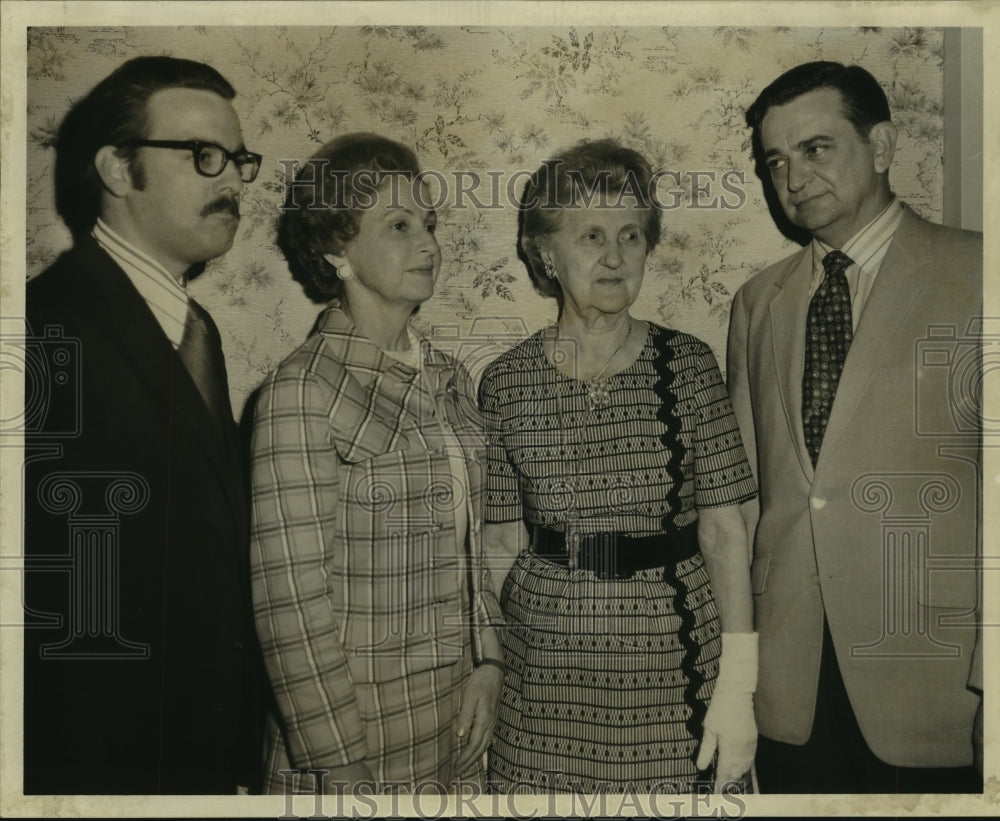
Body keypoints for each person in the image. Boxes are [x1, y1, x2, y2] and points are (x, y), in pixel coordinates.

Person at [728, 61, 983, 793]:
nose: (794, 177)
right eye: (775, 161)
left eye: (816, 148)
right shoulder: (757, 302)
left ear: (883, 144)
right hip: (790, 688)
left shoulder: (977, 274)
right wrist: (738, 678)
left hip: (933, 679)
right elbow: (750, 504)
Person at [480, 138, 759, 793]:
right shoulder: (505, 381)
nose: (614, 255)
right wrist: (495, 660)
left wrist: (738, 683)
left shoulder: (688, 365)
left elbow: (724, 530)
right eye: (592, 236)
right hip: (544, 670)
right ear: (545, 252)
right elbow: (497, 544)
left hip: (672, 658)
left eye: (631, 235)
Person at [23, 56, 266, 794]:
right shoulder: (43, 330)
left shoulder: (198, 329)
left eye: (238, 160)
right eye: (202, 156)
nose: (232, 181)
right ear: (118, 169)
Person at [251, 133, 504, 794]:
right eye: (398, 226)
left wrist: (488, 660)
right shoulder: (299, 391)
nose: (427, 243)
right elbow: (290, 604)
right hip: (354, 740)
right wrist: (337, 762)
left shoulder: (448, 375)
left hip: (452, 722)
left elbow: (472, 546)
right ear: (337, 249)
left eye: (428, 224)